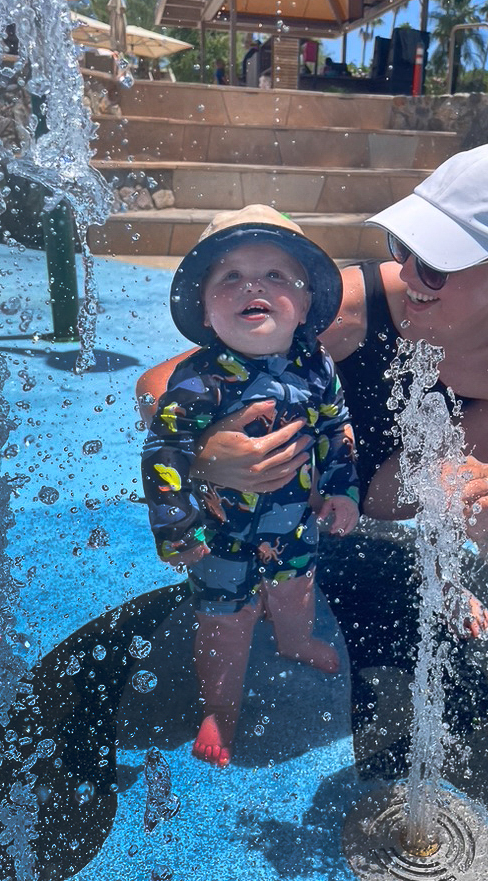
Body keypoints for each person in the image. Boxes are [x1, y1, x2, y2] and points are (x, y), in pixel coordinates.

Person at [137, 142, 488, 639]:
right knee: (247, 401)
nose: (408, 275)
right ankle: (255, 562)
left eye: (436, 264)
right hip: (306, 472)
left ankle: (440, 572)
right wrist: (207, 457)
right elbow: (155, 386)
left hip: (391, 487)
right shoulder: (362, 303)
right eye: (404, 246)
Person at [141, 205, 360, 767]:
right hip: (221, 535)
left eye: (275, 276)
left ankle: (293, 639)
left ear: (306, 303)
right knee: (224, 623)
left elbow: (336, 430)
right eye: (231, 277)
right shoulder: (199, 379)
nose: (252, 286)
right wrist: (177, 528)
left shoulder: (317, 367)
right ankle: (219, 707)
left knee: (296, 591)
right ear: (207, 310)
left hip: (294, 526)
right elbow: (164, 453)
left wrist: (342, 490)